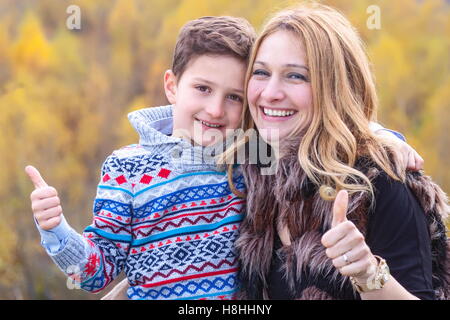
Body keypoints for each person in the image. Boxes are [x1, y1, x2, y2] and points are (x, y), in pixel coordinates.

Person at [222, 3, 449, 300]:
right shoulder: (250, 174)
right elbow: (195, 114)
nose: (270, 93)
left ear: (334, 87)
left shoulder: (379, 183)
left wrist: (368, 274)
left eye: (296, 76)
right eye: (261, 72)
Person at [25, 16, 256, 300]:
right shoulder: (127, 168)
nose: (216, 109)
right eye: (203, 89)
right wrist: (55, 228)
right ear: (172, 86)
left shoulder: (248, 162)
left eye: (234, 97)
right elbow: (97, 272)